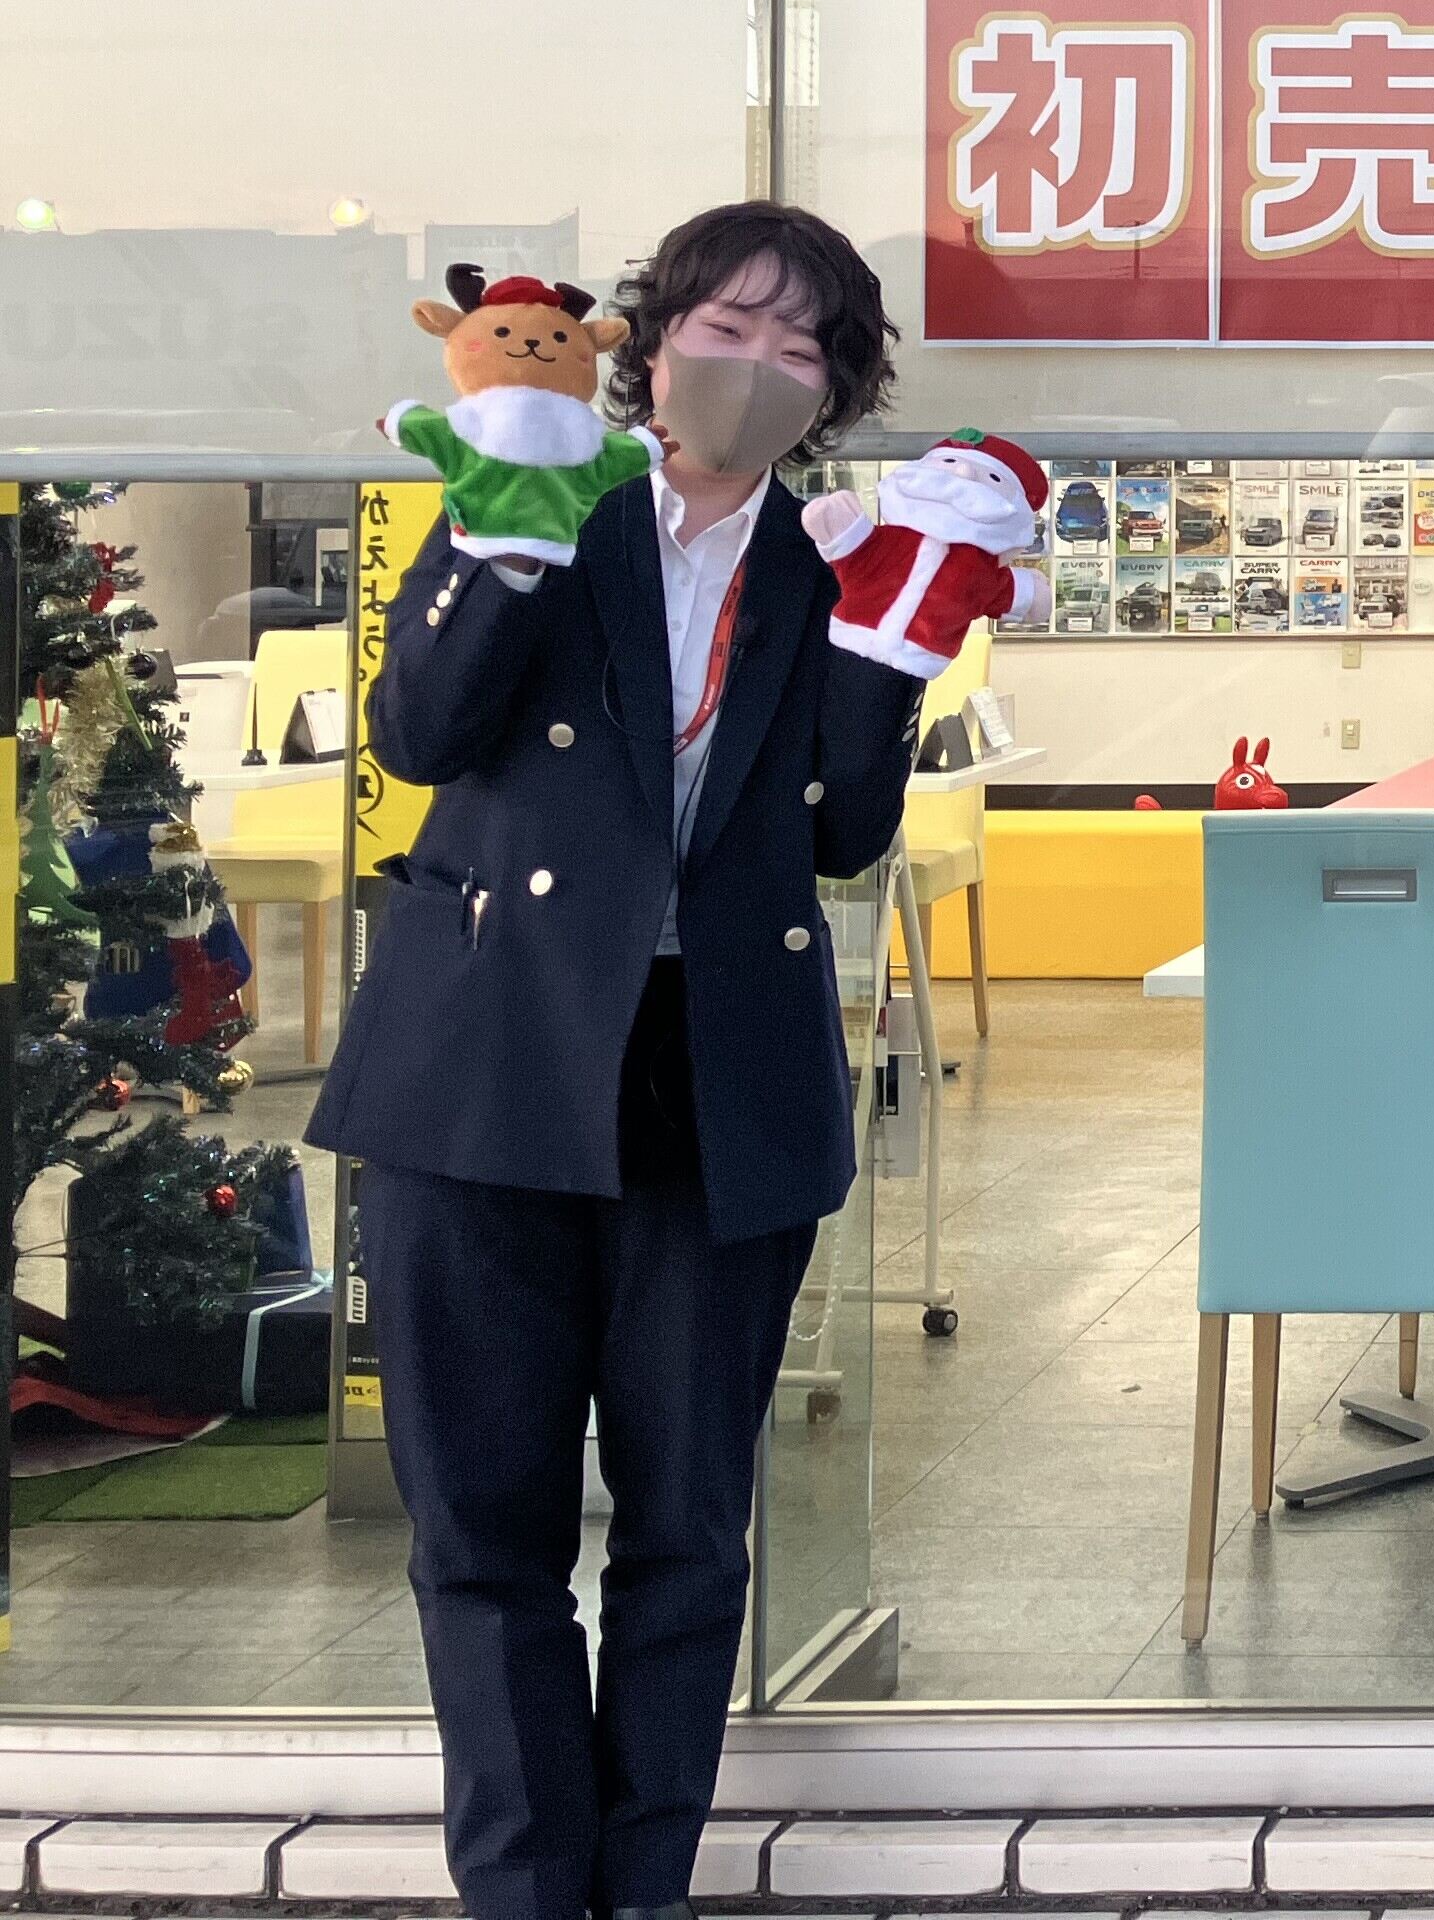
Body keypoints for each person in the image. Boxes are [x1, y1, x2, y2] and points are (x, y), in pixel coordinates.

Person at [310, 203, 921, 1920]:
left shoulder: (838, 564)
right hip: (485, 1064)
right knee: (483, 1531)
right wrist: (500, 547)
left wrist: (894, 656)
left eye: (801, 350)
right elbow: (420, 729)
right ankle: (523, 1891)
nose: (757, 369)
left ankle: (643, 1886)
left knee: (685, 1535)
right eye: (727, 329)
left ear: (835, 395)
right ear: (648, 349)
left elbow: (847, 833)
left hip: (715, 1081)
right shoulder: (537, 492)